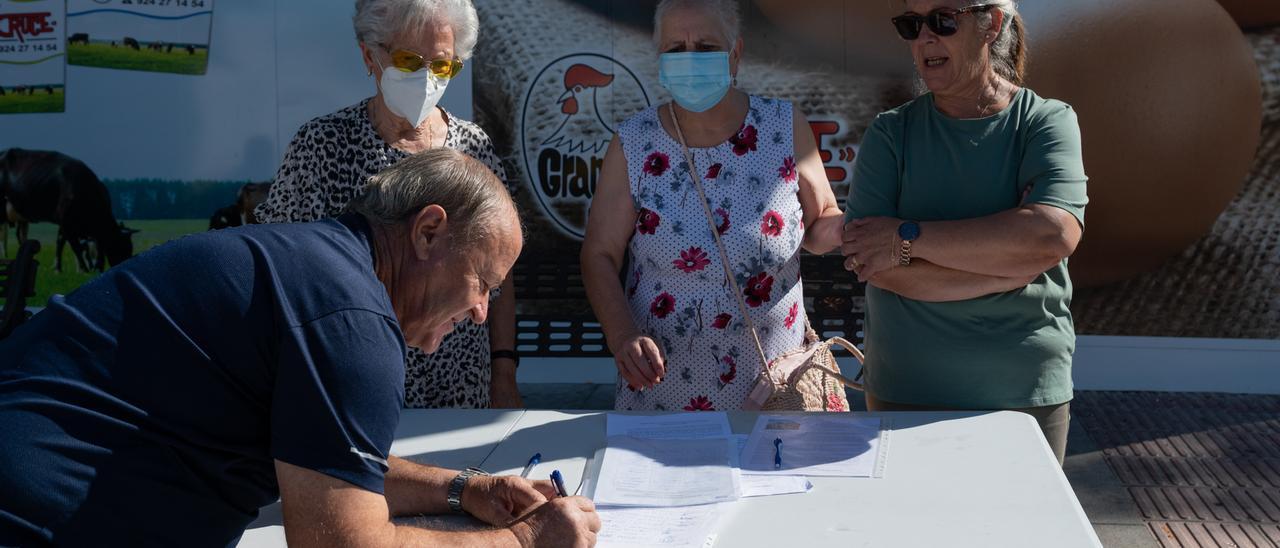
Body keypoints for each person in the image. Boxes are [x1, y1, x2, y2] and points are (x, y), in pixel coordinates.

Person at [0, 150, 600, 547]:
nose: (480, 313)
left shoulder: (319, 271)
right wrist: (526, 539)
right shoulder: (351, 318)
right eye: (483, 283)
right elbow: (340, 542)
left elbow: (324, 461)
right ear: (427, 232)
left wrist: (463, 488)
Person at [841, 0, 1088, 463]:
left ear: (991, 24)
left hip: (1025, 393)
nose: (924, 38)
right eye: (911, 25)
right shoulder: (891, 134)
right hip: (906, 390)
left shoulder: (1045, 122)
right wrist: (1009, 270)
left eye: (942, 21)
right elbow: (871, 261)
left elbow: (1051, 237)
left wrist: (905, 238)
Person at [581, 0, 846, 412]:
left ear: (735, 53)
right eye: (675, 48)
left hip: (775, 393)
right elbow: (599, 253)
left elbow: (820, 224)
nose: (689, 58)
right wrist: (622, 335)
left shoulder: (783, 125)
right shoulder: (634, 142)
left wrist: (854, 228)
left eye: (705, 46)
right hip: (663, 397)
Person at [255, 0, 521, 409]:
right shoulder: (322, 145)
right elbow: (281, 268)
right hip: (350, 379)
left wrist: (504, 371)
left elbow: (498, 275)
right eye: (410, 61)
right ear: (369, 55)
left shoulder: (474, 147)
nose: (428, 78)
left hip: (460, 380)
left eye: (443, 65)